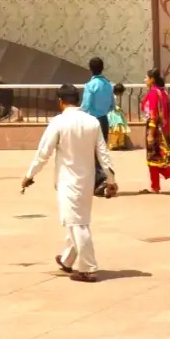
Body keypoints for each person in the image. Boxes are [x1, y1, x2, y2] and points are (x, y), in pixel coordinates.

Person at [24, 82, 115, 282]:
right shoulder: (92, 122)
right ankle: (67, 260)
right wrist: (111, 178)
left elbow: (43, 152)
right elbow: (103, 153)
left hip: (67, 181)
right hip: (87, 180)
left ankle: (89, 268)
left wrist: (30, 175)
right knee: (77, 219)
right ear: (78, 100)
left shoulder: (58, 122)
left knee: (77, 224)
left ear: (60, 102)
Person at [140, 70, 170, 192]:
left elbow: (153, 114)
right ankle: (156, 186)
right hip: (163, 129)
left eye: (146, 77)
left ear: (152, 79)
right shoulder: (163, 92)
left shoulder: (154, 93)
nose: (144, 80)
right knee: (156, 158)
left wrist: (151, 133)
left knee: (153, 158)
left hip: (155, 128)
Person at [80, 57, 112, 121]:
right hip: (105, 120)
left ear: (90, 68)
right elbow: (112, 105)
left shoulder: (90, 85)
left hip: (92, 119)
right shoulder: (109, 84)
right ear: (102, 68)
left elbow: (85, 105)